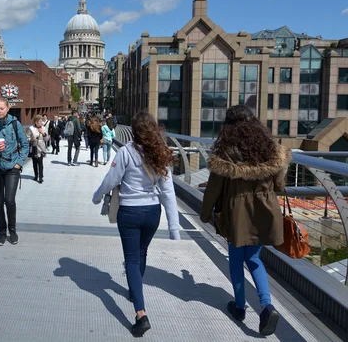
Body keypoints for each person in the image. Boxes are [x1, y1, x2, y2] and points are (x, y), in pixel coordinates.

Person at [200, 105, 289, 336]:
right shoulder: (271, 149)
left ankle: (240, 307)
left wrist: (206, 213)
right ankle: (267, 306)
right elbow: (279, 185)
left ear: (228, 127)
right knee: (255, 258)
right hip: (264, 210)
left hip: (237, 211)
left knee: (236, 258)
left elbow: (213, 189)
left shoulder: (226, 153)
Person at [92, 110, 180, 337]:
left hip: (129, 212)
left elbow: (110, 180)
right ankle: (135, 290)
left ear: (133, 130)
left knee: (131, 258)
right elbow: (168, 192)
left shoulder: (125, 152)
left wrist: (97, 196)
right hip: (152, 212)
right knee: (142, 253)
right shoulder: (160, 153)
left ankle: (140, 314)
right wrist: (174, 228)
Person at [0, 98, 29, 246]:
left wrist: (18, 163)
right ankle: (2, 232)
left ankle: (12, 230)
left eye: (2, 108)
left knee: (9, 200)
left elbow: (25, 144)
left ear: (8, 108)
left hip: (12, 168)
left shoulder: (15, 124)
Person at [27, 115, 50, 183]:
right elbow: (27, 137)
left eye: (41, 121)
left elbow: (47, 138)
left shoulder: (43, 128)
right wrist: (31, 139)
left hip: (41, 148)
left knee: (40, 163)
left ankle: (40, 177)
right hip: (34, 147)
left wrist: (43, 133)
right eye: (40, 121)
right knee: (34, 163)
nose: (41, 122)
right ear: (36, 122)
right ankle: (36, 175)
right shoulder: (31, 128)